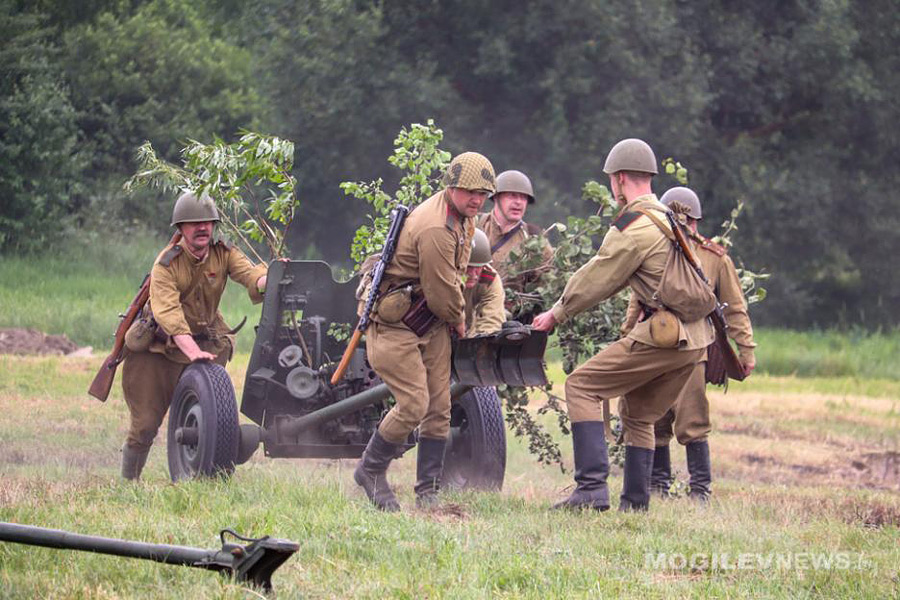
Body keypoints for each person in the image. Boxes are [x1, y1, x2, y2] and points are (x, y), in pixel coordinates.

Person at [532, 139, 714, 512]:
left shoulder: (635, 226)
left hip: (667, 335)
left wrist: (556, 314)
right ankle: (635, 503)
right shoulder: (669, 217)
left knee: (581, 386)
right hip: (695, 340)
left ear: (617, 179)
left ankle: (590, 490)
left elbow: (598, 277)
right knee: (639, 414)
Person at [354, 152, 495, 511]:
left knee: (439, 407)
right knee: (414, 405)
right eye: (468, 192)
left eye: (482, 193)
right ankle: (370, 471)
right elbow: (442, 290)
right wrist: (460, 322)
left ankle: (427, 491)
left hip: (429, 322)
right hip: (396, 325)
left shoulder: (464, 217)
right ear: (452, 188)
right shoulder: (435, 226)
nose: (476, 199)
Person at [119, 191, 268, 480]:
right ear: (180, 229)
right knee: (145, 425)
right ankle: (128, 483)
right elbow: (168, 314)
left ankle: (203, 475)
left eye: (208, 222)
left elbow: (252, 277)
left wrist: (270, 278)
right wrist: (191, 351)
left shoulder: (223, 253)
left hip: (202, 347)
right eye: (193, 223)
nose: (202, 228)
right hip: (158, 353)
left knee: (212, 419)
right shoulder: (166, 264)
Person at [621, 186, 756, 501]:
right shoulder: (654, 250)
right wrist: (627, 336)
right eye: (678, 221)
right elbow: (638, 300)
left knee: (692, 419)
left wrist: (746, 349)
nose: (685, 227)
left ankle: (700, 493)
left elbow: (735, 308)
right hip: (654, 344)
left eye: (689, 222)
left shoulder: (714, 257)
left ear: (696, 222)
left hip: (694, 347)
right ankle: (657, 488)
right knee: (653, 418)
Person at [477, 170, 553, 295]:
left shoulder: (535, 241)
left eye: (523, 197)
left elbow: (545, 288)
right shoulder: (474, 225)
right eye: (512, 195)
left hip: (508, 312)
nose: (518, 202)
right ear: (496, 197)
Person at [463, 228, 506, 336]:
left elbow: (492, 321)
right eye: (468, 267)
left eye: (477, 267)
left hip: (467, 330)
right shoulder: (444, 275)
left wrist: (481, 342)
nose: (473, 274)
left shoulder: (490, 279)